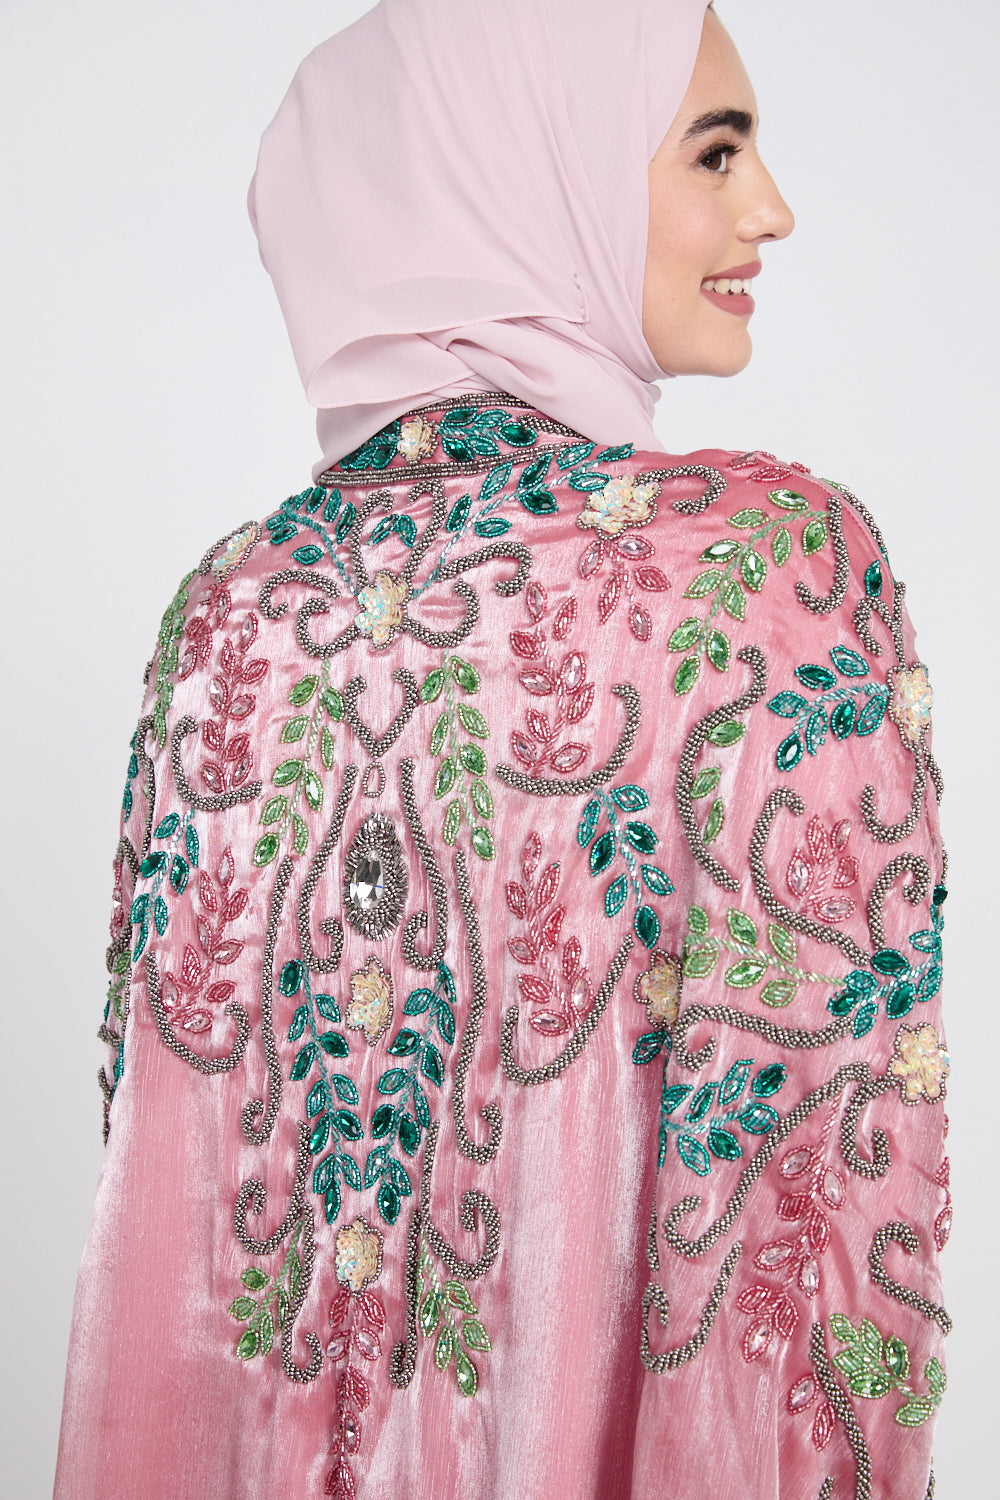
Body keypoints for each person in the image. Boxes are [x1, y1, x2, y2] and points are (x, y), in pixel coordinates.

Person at [53, 2, 949, 1496]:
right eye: (714, 151)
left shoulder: (223, 614)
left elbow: (170, 1233)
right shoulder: (765, 578)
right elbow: (806, 1244)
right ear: (542, 164)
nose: (771, 208)